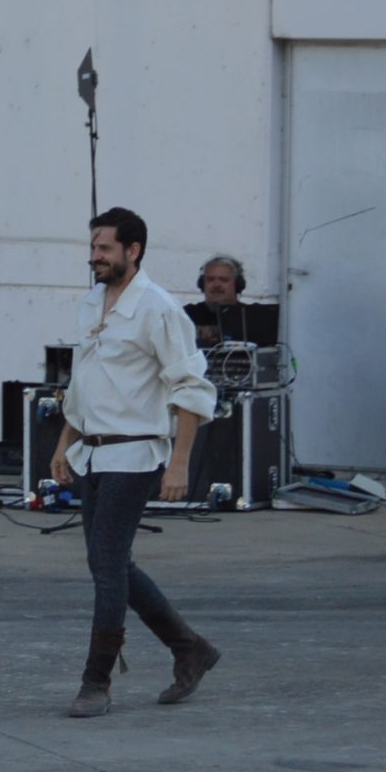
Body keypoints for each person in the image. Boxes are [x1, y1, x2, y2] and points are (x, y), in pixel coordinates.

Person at [49, 207, 223, 717]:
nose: (94, 257)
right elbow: (82, 385)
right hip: (94, 452)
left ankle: (95, 682)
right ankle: (190, 648)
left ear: (133, 250)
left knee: (106, 566)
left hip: (137, 452)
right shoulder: (91, 305)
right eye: (93, 247)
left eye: (104, 248)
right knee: (113, 564)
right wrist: (64, 444)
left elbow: (191, 388)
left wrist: (180, 463)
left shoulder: (159, 309)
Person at [183, 255, 277, 348]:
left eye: (224, 280)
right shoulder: (186, 315)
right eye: (210, 279)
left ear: (238, 284)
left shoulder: (254, 316)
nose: (216, 285)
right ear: (202, 284)